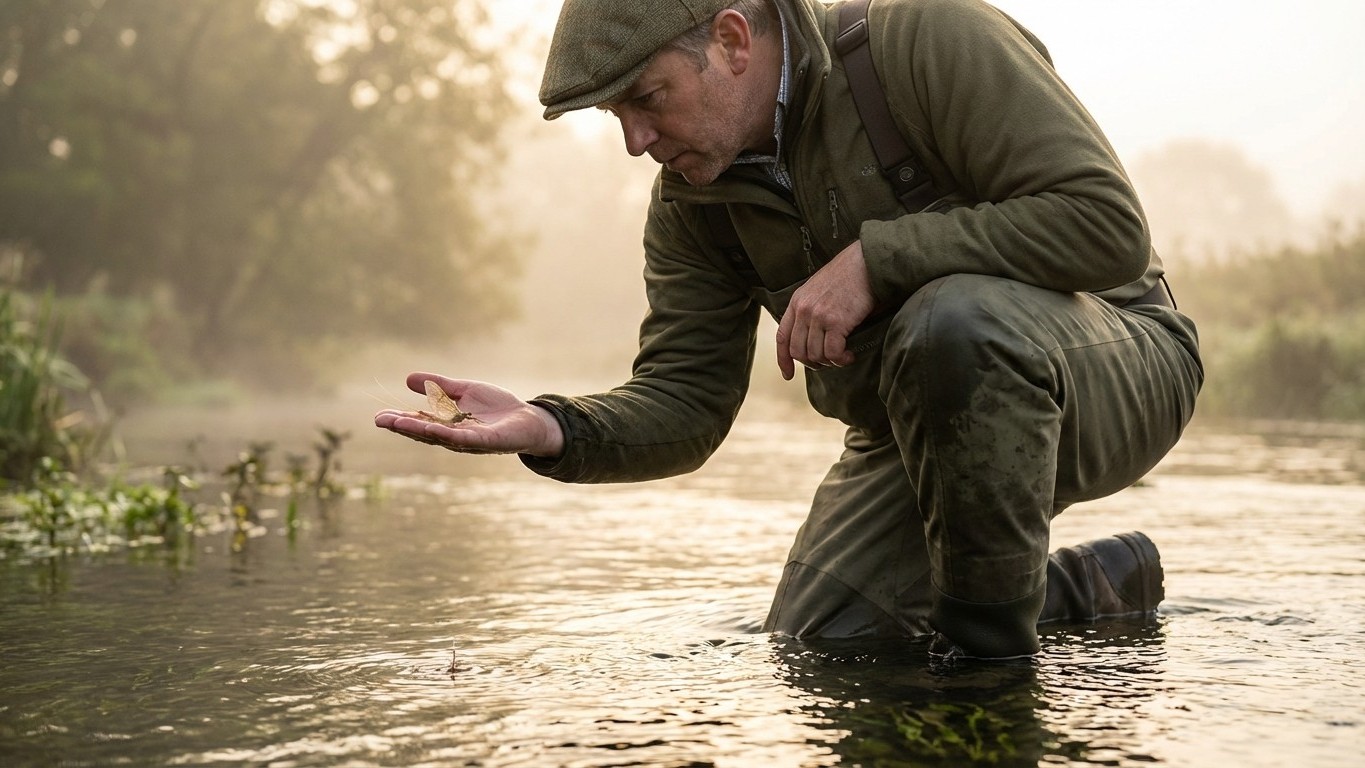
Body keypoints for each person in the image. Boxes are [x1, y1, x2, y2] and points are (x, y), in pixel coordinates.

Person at [374, 0, 1203, 662]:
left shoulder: (926, 35)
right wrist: (551, 425)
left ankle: (989, 679)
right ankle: (1086, 590)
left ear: (731, 40)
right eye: (614, 116)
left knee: (958, 323)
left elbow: (1103, 226)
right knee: (825, 648)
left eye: (646, 100)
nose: (633, 142)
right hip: (910, 427)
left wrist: (877, 262)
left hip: (1114, 361)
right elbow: (686, 402)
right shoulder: (690, 207)